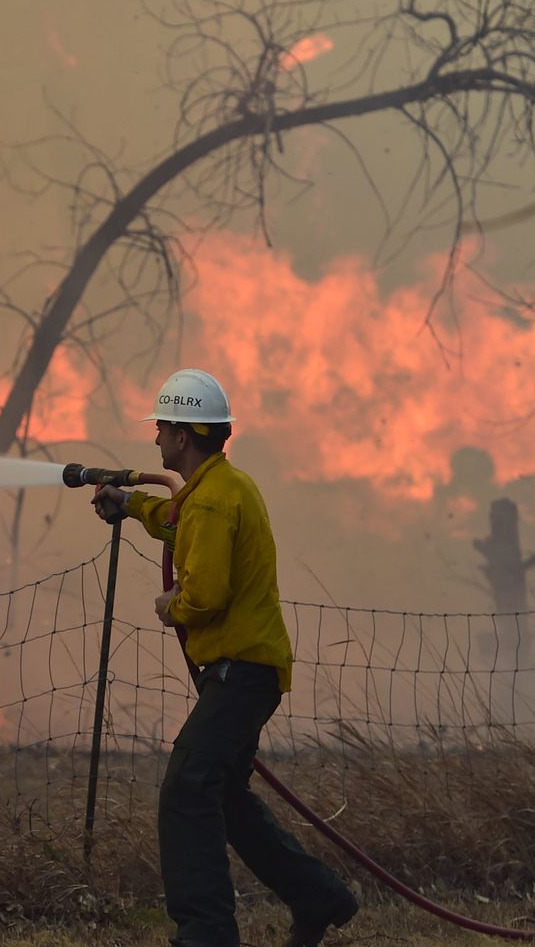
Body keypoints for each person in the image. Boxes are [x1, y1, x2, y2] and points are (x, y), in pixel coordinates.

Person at [91, 368, 358, 947]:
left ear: (183, 436)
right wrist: (130, 503)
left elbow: (205, 596)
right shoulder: (220, 489)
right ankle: (319, 897)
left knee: (188, 788)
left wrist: (173, 605)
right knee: (224, 795)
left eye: (161, 427)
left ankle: (206, 934)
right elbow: (176, 520)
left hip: (240, 672)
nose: (155, 439)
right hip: (246, 670)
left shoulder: (212, 501)